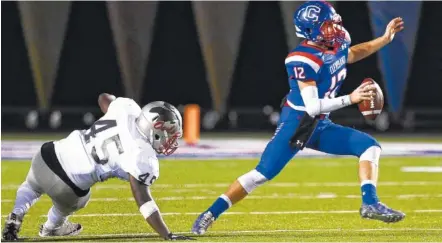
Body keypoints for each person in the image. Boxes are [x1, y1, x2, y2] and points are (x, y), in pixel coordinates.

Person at [192, 0, 405, 235]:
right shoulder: (302, 58)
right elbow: (312, 107)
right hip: (297, 123)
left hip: (321, 123)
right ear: (310, 31)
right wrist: (351, 98)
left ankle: (370, 203)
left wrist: (383, 40)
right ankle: (209, 214)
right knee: (261, 175)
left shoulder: (338, 39)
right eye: (326, 25)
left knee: (370, 147)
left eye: (333, 21)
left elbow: (351, 54)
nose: (334, 27)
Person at [2, 93, 194, 241]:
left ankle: (16, 215)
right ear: (154, 129)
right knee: (79, 200)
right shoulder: (142, 155)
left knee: (31, 186)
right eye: (168, 133)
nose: (171, 139)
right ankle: (51, 227)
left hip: (46, 155)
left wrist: (111, 110)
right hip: (68, 187)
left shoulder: (127, 108)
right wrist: (166, 234)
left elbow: (104, 98)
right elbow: (144, 201)